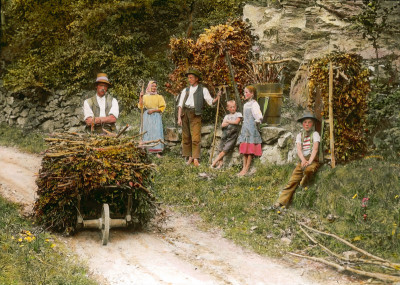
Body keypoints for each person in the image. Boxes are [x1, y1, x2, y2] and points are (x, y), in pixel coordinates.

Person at [272, 111, 320, 209]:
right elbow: (299, 149)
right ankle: (280, 202)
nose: (307, 124)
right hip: (303, 160)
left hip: (312, 159)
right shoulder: (299, 135)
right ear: (302, 124)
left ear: (313, 124)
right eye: (305, 122)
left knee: (308, 170)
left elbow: (315, 149)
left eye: (309, 122)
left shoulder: (315, 134)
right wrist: (303, 160)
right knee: (293, 180)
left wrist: (309, 161)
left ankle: (303, 184)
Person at [177, 68, 220, 167]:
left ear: (196, 79)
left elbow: (210, 102)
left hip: (195, 114)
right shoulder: (185, 90)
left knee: (195, 137)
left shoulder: (203, 89)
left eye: (191, 77)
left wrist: (217, 98)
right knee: (186, 137)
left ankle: (196, 158)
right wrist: (179, 118)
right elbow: (180, 105)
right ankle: (189, 157)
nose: (189, 79)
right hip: (185, 113)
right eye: (188, 78)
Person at [237, 86, 263, 176]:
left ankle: (247, 168)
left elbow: (258, 116)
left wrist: (257, 121)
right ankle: (243, 168)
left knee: (250, 150)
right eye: (244, 92)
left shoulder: (254, 104)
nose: (245, 94)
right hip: (245, 128)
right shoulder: (245, 105)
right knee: (244, 149)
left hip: (251, 129)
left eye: (247, 92)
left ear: (252, 93)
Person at [211, 100, 242, 168]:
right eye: (230, 107)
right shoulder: (227, 116)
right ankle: (220, 164)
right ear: (227, 108)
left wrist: (227, 121)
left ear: (236, 107)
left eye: (234, 107)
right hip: (225, 134)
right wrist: (231, 122)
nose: (233, 108)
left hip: (232, 135)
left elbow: (236, 122)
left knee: (225, 149)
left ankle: (214, 163)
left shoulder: (238, 114)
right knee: (220, 148)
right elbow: (222, 125)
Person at [138, 80, 166, 157]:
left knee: (156, 131)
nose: (154, 88)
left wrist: (154, 110)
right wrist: (141, 97)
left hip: (156, 116)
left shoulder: (159, 97)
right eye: (152, 86)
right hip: (147, 116)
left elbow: (162, 107)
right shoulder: (145, 97)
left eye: (155, 86)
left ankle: (157, 152)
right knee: (147, 131)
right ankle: (147, 150)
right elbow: (141, 106)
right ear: (149, 87)